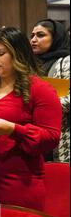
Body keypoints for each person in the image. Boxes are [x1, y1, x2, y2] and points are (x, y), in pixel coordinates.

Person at [0, 27, 62, 217]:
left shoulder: (40, 89)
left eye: (1, 53)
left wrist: (13, 129)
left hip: (16, 180)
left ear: (18, 54)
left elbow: (51, 138)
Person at [30, 19, 70, 163]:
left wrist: (44, 107)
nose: (34, 40)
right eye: (32, 35)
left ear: (55, 38)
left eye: (41, 35)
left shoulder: (67, 61)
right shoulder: (30, 65)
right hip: (36, 134)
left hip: (62, 132)